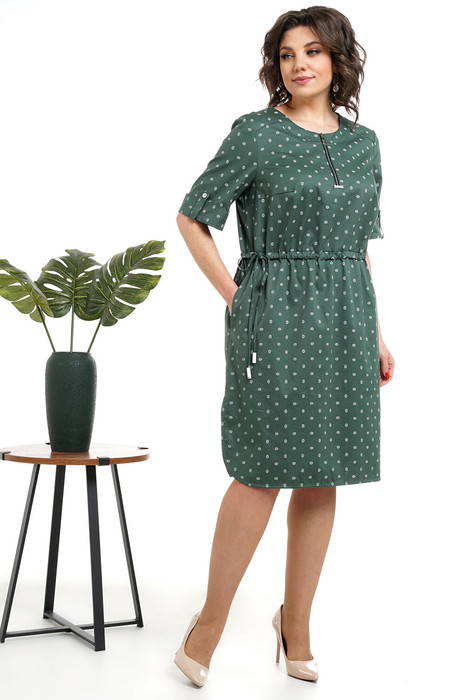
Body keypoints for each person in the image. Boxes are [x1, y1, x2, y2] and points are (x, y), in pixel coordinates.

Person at [174, 5, 395, 687]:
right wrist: (236, 296)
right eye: (287, 54)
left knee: (324, 472)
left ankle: (295, 623)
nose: (300, 64)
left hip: (348, 317)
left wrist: (377, 333)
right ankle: (209, 623)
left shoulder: (365, 144)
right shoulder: (255, 134)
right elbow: (192, 216)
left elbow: (357, 247)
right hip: (273, 314)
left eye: (313, 51)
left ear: (338, 60)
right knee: (261, 469)